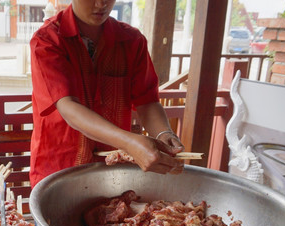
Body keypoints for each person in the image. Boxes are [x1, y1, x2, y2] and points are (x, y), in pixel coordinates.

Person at [29, 0, 184, 188]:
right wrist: (128, 143)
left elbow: (147, 101)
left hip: (113, 173)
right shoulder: (48, 40)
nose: (101, 3)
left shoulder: (132, 40)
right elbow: (68, 107)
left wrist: (163, 133)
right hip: (58, 169)